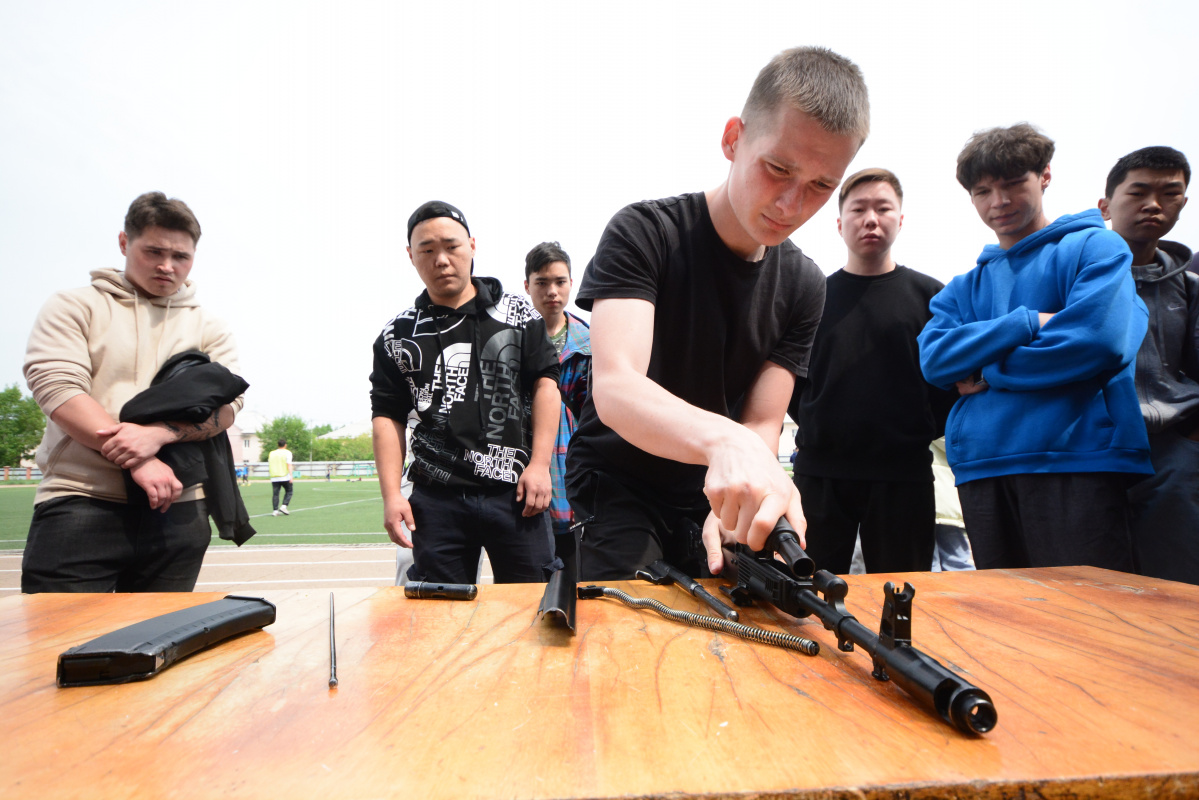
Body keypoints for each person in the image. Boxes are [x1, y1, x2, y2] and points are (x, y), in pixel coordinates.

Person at [565, 46, 869, 580]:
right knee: (627, 615)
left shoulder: (804, 284)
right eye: (778, 169)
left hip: (712, 488)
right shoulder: (645, 233)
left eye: (822, 186)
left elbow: (763, 421)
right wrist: (729, 442)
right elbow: (616, 387)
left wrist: (743, 491)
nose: (791, 204)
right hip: (618, 478)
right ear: (733, 139)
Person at [918, 123, 1152, 572]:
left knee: (1087, 609)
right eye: (983, 191)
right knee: (1004, 611)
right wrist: (1024, 323)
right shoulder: (963, 287)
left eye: (1012, 184)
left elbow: (1097, 341)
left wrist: (988, 371)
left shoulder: (1096, 247)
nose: (999, 201)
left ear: (1045, 176)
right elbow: (934, 359)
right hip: (983, 465)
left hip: (1078, 458)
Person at [21, 192, 244, 592]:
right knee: (60, 633)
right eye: (154, 251)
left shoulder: (210, 327)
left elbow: (229, 408)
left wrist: (159, 434)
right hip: (83, 499)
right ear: (124, 243)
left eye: (181, 256)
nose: (167, 265)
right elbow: (58, 388)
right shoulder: (74, 306)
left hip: (180, 510)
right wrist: (138, 458)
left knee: (160, 634)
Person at [370, 201, 563, 584]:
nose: (441, 260)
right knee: (440, 611)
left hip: (516, 492)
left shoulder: (519, 315)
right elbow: (386, 416)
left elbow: (546, 384)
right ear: (410, 255)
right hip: (436, 498)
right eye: (427, 249)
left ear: (472, 246)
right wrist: (392, 495)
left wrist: (540, 465)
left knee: (533, 604)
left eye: (451, 246)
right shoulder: (398, 335)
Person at [788, 168, 957, 575]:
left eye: (883, 209)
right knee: (807, 591)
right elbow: (791, 383)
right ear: (839, 222)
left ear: (900, 219)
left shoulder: (932, 296)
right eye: (858, 209)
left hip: (904, 474)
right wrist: (818, 419)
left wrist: (915, 428)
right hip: (820, 473)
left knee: (903, 593)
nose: (871, 219)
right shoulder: (813, 297)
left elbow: (948, 384)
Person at [1098, 146, 1198, 584]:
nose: (1153, 205)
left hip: (1173, 455)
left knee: (1173, 590)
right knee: (1094, 589)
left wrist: (1189, 442)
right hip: (1091, 450)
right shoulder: (1077, 279)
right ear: (1105, 205)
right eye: (1138, 192)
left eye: (1169, 193)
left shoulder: (1191, 289)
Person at [523, 241, 591, 558]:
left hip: (577, 479)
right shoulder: (512, 343)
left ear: (571, 283)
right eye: (542, 283)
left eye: (560, 281)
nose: (552, 291)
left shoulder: (592, 343)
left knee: (578, 576)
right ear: (527, 286)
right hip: (527, 475)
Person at [269, 439, 294, 516]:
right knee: (289, 491)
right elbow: (289, 464)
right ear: (285, 445)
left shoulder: (272, 453)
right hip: (284, 476)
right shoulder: (287, 453)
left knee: (275, 494)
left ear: (278, 445)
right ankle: (284, 506)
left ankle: (275, 511)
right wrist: (291, 475)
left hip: (274, 476)